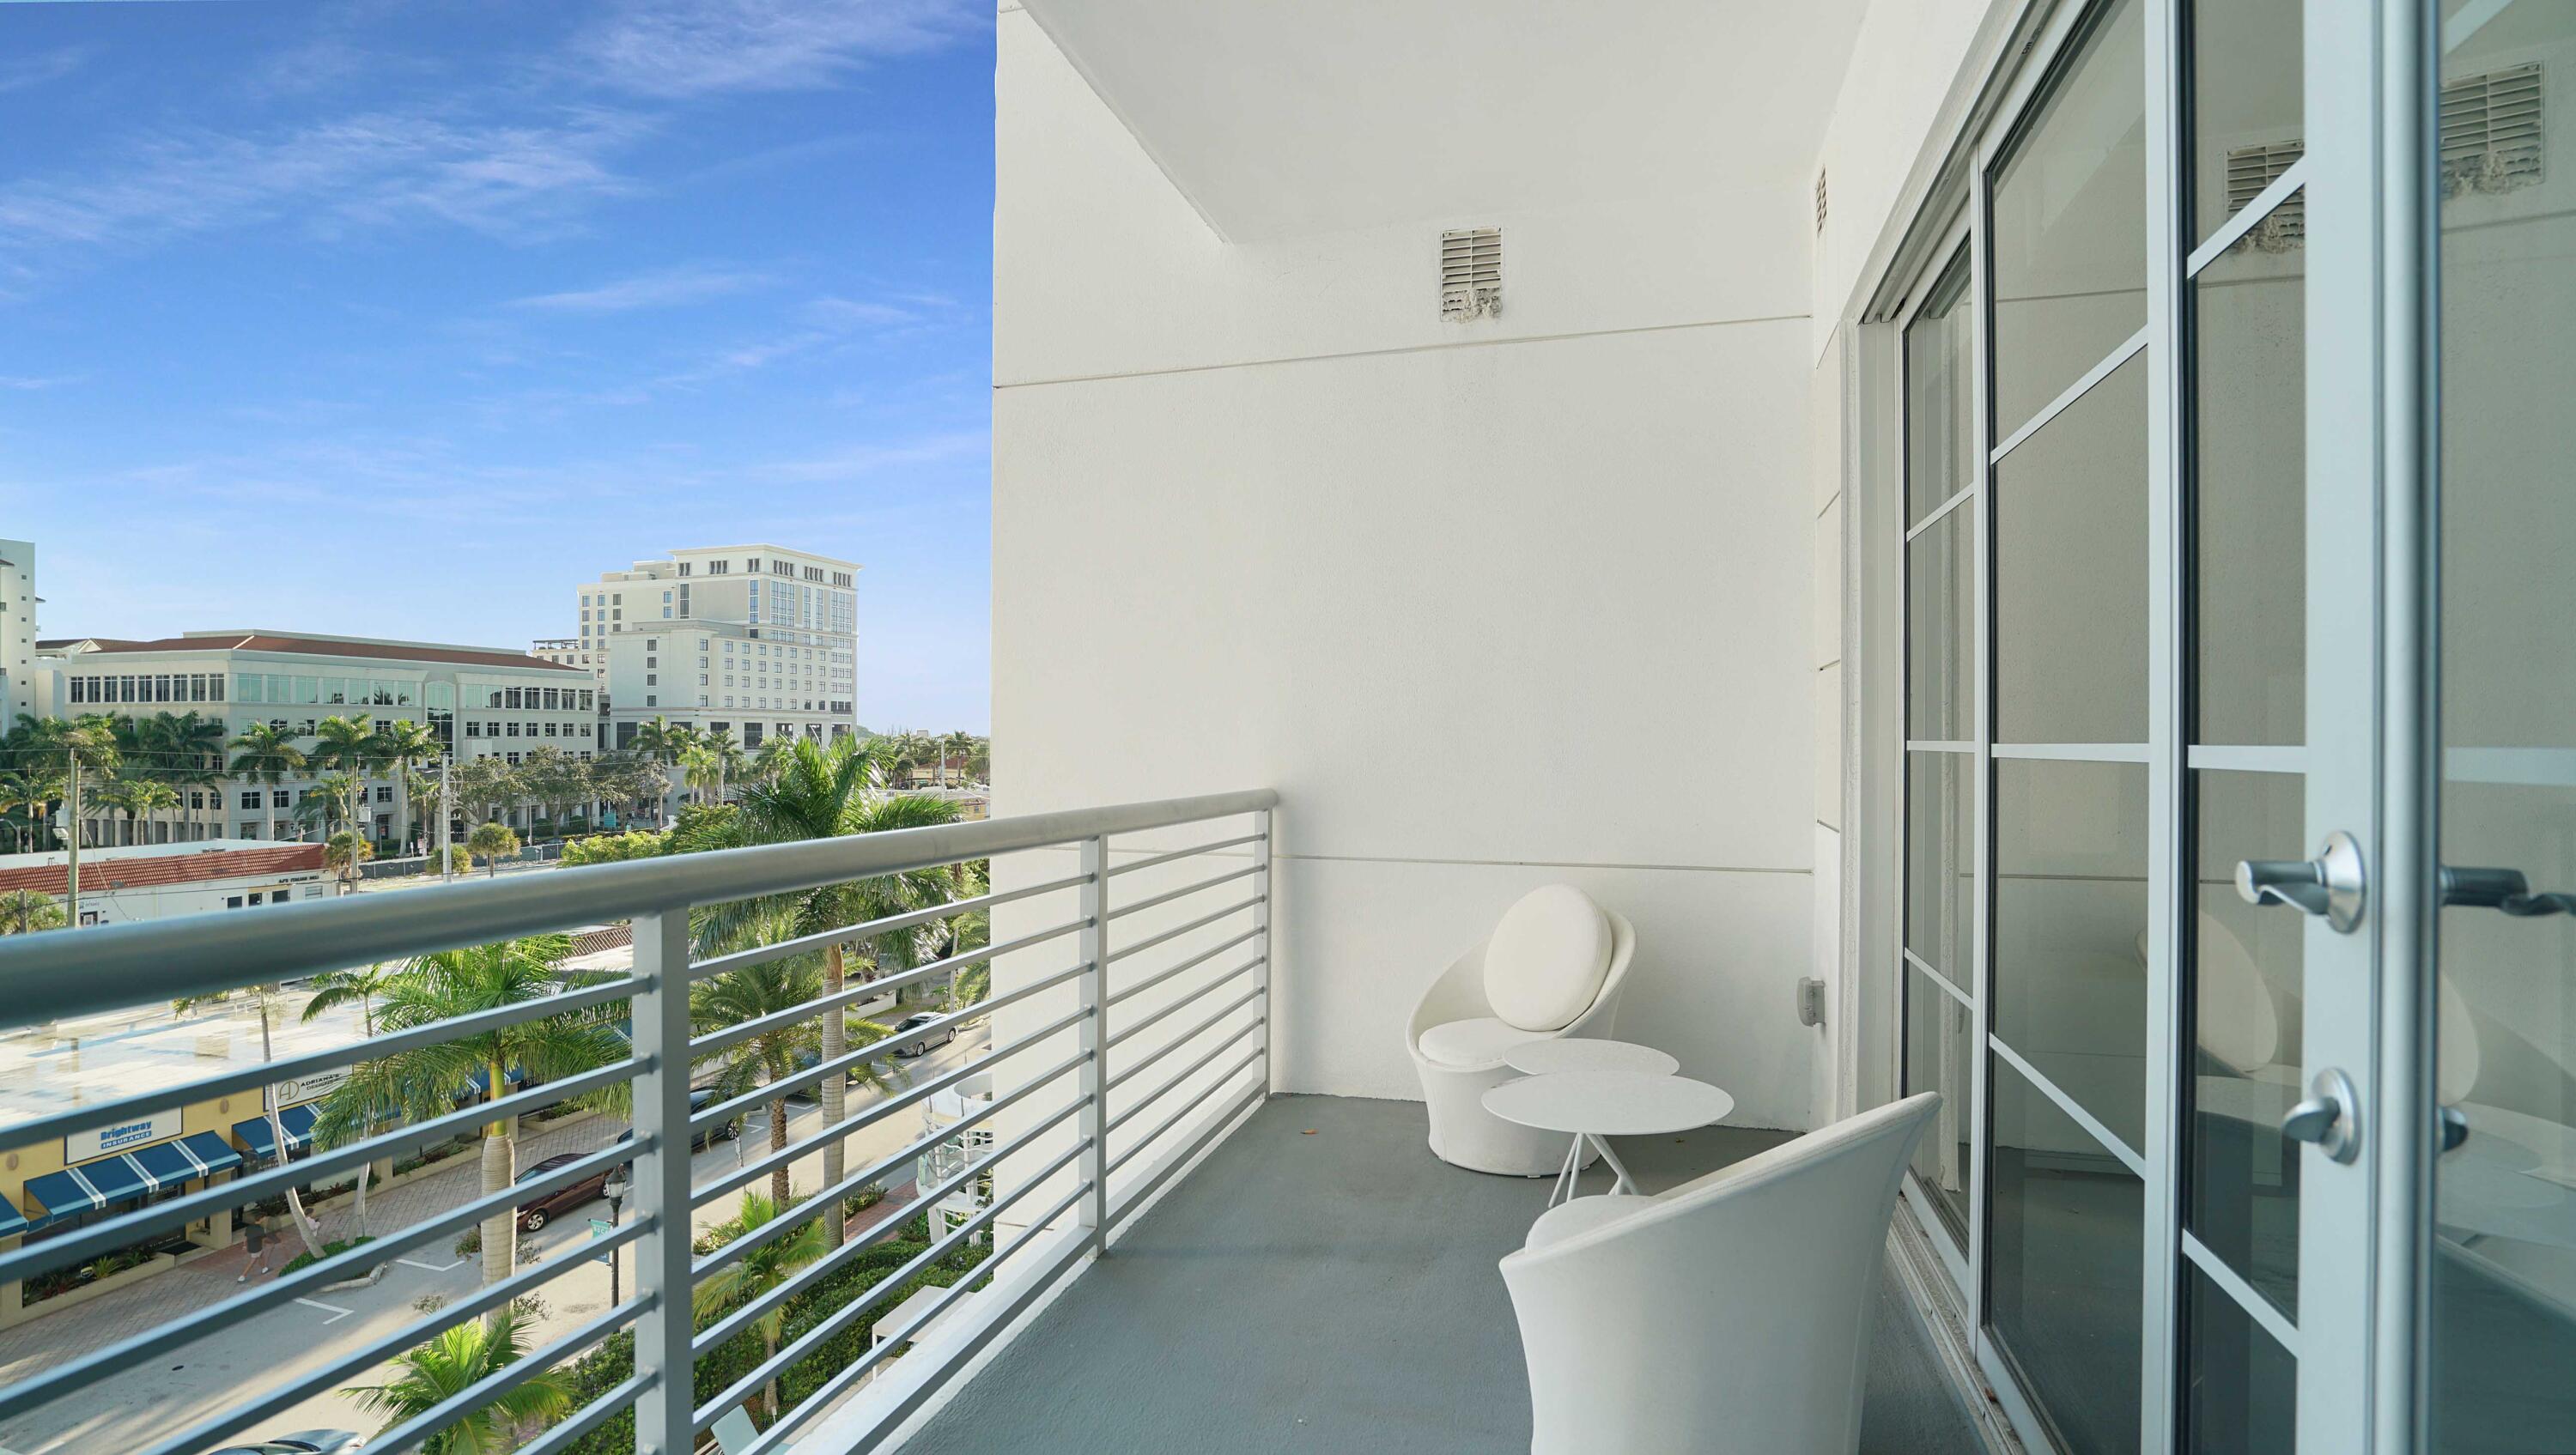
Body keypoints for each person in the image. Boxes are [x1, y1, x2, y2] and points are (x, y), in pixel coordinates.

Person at [238, 1215, 271, 1282]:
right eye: (264, 1218)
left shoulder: (249, 1227)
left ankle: (264, 1268)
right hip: (257, 1248)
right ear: (261, 1219)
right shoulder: (260, 1229)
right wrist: (269, 1243)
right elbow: (264, 1240)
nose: (265, 1220)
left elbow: (246, 1237)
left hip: (251, 1246)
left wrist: (244, 1245)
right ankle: (242, 1276)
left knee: (261, 1255)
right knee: (253, 1261)